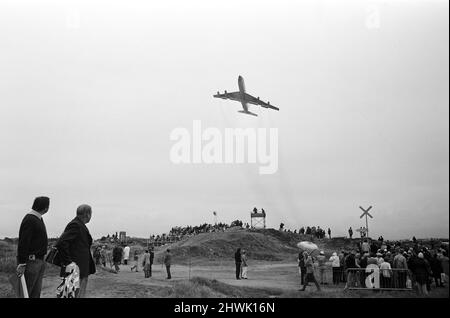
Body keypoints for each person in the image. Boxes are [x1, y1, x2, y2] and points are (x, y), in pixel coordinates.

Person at [55, 204, 96, 298]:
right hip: (76, 269)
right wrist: (69, 263)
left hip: (80, 269)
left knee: (77, 294)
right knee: (73, 294)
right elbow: (61, 243)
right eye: (91, 213)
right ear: (87, 214)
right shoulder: (75, 225)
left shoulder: (79, 224)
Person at [16, 196, 50, 298]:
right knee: (26, 293)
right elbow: (23, 242)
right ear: (45, 207)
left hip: (39, 261)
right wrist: (22, 263)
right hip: (31, 262)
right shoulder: (30, 219)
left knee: (35, 293)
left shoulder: (38, 219)